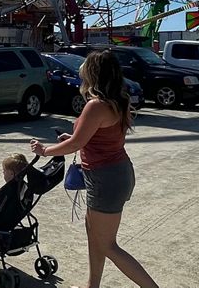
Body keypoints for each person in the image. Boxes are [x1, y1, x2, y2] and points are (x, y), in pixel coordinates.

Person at [29, 50, 158, 288]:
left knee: (108, 244)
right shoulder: (119, 101)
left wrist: (45, 151)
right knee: (95, 237)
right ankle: (92, 286)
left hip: (105, 178)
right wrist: (75, 136)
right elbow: (92, 137)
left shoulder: (96, 105)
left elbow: (77, 144)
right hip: (115, 173)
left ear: (93, 74)